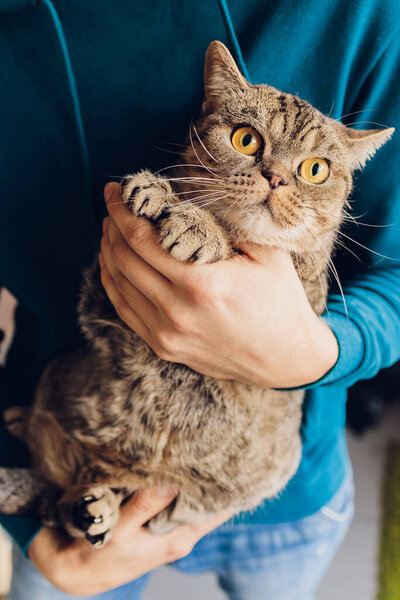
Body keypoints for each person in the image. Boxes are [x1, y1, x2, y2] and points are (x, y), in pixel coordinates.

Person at [0, 0, 399, 598]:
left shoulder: (370, 14)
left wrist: (317, 350)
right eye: (247, 140)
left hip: (277, 494)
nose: (276, 178)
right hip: (66, 459)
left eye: (312, 171)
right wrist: (21, 522)